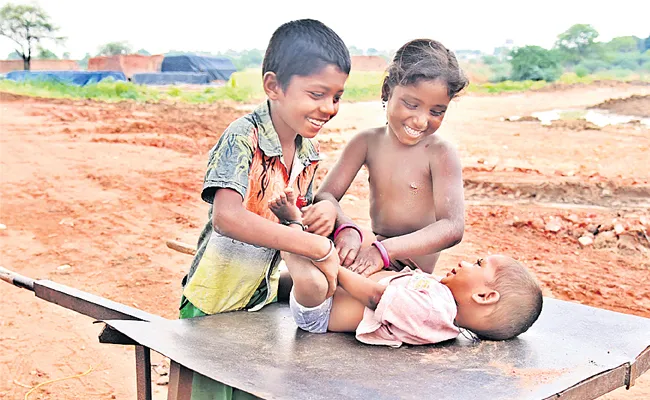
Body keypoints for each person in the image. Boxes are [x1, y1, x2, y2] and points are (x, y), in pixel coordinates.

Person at [178, 19, 350, 399]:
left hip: (260, 304)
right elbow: (227, 217)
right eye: (317, 93)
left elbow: (290, 218)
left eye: (337, 97)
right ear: (273, 86)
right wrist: (313, 246)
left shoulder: (309, 153)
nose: (328, 108)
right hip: (213, 305)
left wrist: (316, 219)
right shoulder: (243, 136)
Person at [269, 189, 543, 346]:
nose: (464, 262)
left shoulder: (433, 312)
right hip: (340, 287)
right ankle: (299, 248)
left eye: (478, 264)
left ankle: (292, 234)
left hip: (320, 311)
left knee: (315, 281)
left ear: (484, 296)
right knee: (362, 240)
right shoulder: (442, 302)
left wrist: (336, 268)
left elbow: (375, 297)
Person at [314, 39, 469, 276]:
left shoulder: (440, 153)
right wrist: (347, 228)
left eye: (436, 111)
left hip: (408, 271)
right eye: (411, 104)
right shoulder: (366, 143)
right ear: (387, 90)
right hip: (371, 253)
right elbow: (325, 196)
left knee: (335, 284)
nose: (421, 120)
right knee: (313, 268)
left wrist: (383, 251)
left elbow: (452, 227)